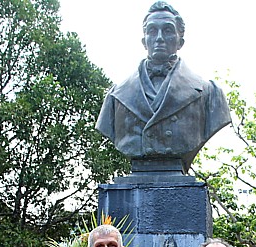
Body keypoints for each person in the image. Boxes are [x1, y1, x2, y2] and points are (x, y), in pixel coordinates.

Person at [96, 1, 231, 174]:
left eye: (167, 30)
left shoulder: (210, 94)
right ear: (144, 41)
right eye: (152, 30)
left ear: (180, 41)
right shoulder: (116, 96)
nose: (159, 37)